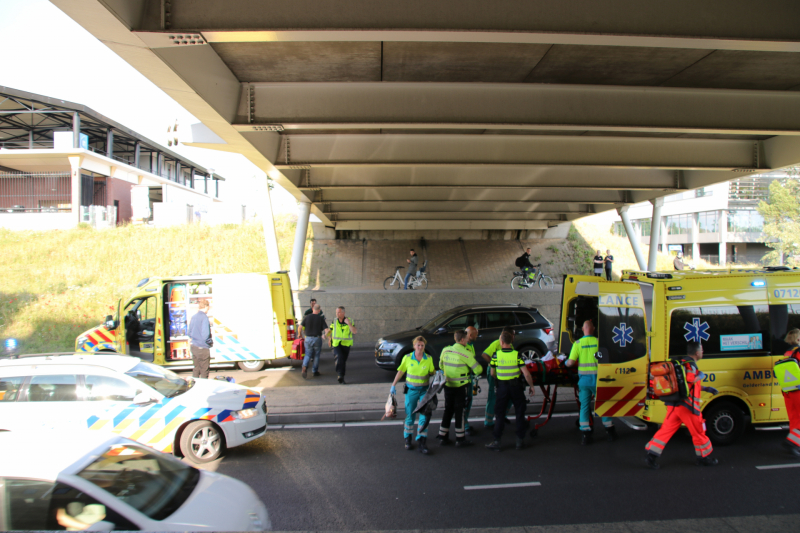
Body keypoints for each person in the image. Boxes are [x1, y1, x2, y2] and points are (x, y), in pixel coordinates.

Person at [645, 341, 719, 469]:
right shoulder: (691, 365)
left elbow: (686, 385)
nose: (703, 352)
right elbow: (690, 380)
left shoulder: (681, 363)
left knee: (666, 430)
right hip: (687, 407)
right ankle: (703, 458)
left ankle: (651, 456)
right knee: (698, 431)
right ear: (697, 353)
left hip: (675, 405)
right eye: (702, 350)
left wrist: (706, 388)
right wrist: (701, 375)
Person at [565, 319, 616, 444]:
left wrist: (565, 362)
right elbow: (607, 359)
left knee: (584, 407)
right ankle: (610, 431)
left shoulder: (577, 343)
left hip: (584, 382)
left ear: (583, 329)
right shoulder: (599, 342)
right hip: (599, 380)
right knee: (604, 404)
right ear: (593, 329)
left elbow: (570, 363)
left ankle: (585, 434)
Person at [485, 331, 537, 451]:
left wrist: (500, 379)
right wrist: (531, 386)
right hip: (516, 387)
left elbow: (492, 373)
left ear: (501, 341)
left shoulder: (496, 355)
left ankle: (497, 441)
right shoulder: (517, 355)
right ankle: (519, 441)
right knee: (520, 413)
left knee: (500, 414)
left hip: (502, 388)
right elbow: (526, 374)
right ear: (511, 341)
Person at [437, 330, 483, 447]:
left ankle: (443, 436)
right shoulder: (466, 353)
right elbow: (478, 370)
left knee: (448, 409)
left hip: (448, 385)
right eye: (466, 338)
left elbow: (441, 365)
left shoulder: (445, 350)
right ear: (462, 340)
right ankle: (460, 438)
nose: (467, 340)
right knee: (459, 411)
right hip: (461, 387)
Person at [390, 336, 436, 454]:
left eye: (422, 345)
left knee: (424, 416)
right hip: (411, 391)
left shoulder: (428, 358)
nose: (420, 347)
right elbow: (401, 371)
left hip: (424, 391)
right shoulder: (407, 358)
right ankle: (408, 439)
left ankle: (422, 441)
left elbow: (432, 372)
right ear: (414, 346)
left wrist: (436, 374)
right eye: (418, 345)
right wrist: (393, 385)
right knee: (410, 415)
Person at [481, 327, 515, 428]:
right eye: (513, 334)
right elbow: (485, 354)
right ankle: (488, 421)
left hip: (504, 374)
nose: (514, 337)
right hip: (494, 373)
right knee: (493, 395)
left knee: (509, 395)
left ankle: (502, 415)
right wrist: (494, 364)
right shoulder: (496, 344)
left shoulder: (510, 345)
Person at [324, 306, 357, 384]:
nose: (337, 314)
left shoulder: (350, 320)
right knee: (339, 357)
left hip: (346, 344)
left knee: (342, 360)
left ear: (343, 313)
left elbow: (354, 331)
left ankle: (341, 376)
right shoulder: (334, 321)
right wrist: (327, 337)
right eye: (336, 312)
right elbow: (330, 330)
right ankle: (340, 375)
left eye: (339, 312)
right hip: (336, 344)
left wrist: (349, 323)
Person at [780, 328, 800, 457]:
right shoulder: (799, 351)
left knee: (795, 418)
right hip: (798, 389)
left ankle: (795, 445)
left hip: (788, 390)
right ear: (798, 339)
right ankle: (792, 442)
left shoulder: (788, 352)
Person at [188, 299, 212, 379]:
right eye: (208, 308)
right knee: (204, 371)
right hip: (202, 348)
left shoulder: (194, 317)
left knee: (196, 369)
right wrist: (210, 342)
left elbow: (189, 333)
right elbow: (205, 335)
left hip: (194, 346)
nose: (208, 309)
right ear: (206, 307)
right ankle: (203, 386)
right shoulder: (204, 317)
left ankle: (194, 385)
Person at [300, 303, 326, 379]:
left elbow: (300, 327)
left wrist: (299, 334)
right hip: (317, 338)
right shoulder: (320, 318)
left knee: (308, 354)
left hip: (308, 338)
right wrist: (327, 336)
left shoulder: (307, 317)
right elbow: (327, 330)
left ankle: (304, 366)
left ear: (312, 309)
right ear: (319, 310)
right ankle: (315, 371)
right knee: (316, 355)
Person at [464, 326, 479, 436]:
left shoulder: (470, 345)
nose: (477, 336)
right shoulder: (465, 347)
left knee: (468, 401)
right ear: (470, 335)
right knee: (466, 402)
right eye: (476, 335)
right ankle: (464, 426)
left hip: (469, 377)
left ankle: (465, 423)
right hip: (464, 379)